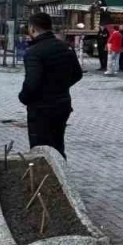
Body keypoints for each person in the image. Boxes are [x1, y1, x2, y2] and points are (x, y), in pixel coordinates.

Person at [18, 11, 83, 157]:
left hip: (41, 107)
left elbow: (32, 82)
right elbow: (77, 74)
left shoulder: (34, 52)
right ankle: (61, 173)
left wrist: (24, 97)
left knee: (41, 148)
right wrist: (60, 86)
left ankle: (47, 177)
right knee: (58, 143)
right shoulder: (65, 47)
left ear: (32, 29)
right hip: (62, 104)